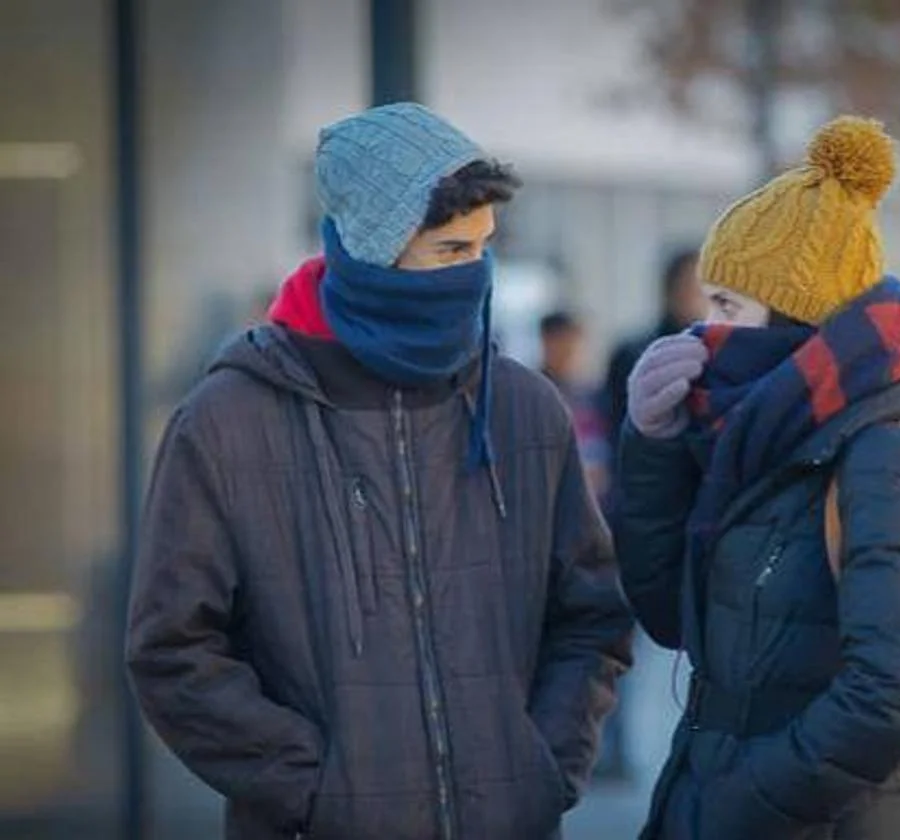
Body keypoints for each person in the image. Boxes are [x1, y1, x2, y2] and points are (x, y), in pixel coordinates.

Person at [126, 103, 633, 840]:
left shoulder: (525, 409)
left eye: (484, 249)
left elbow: (589, 614)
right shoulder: (228, 420)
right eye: (451, 250)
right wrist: (316, 790)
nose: (476, 274)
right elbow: (173, 650)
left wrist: (542, 767)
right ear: (371, 246)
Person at [616, 117, 900, 839]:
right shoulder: (754, 444)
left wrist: (738, 808)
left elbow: (895, 692)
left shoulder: (880, 457)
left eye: (725, 308)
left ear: (795, 322)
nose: (702, 331)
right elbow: (671, 618)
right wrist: (652, 447)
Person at [603, 247, 706, 450]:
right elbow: (615, 426)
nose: (698, 298)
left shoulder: (719, 352)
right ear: (670, 290)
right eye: (690, 288)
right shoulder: (633, 352)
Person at [540, 310, 610, 500]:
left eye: (572, 343)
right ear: (546, 343)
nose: (568, 351)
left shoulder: (593, 393)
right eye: (560, 343)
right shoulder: (533, 395)